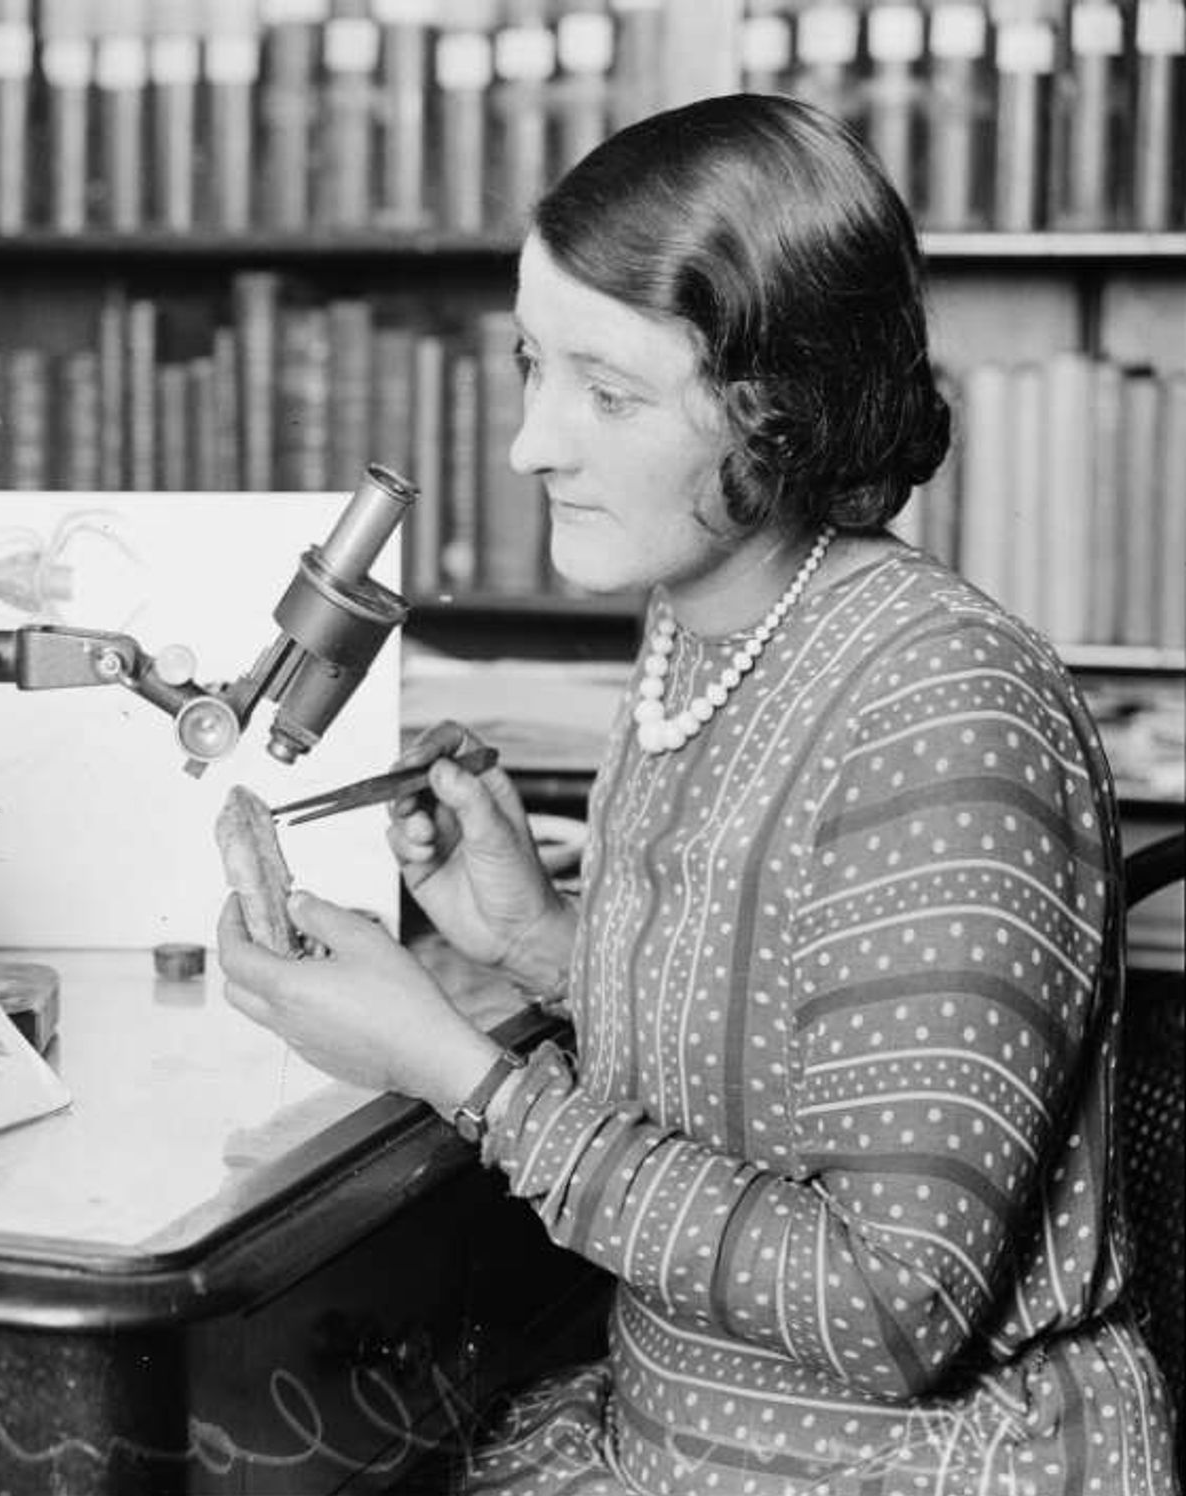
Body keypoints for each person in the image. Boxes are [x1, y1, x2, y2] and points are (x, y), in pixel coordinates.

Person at [216, 92, 1179, 1495]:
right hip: (691, 1442)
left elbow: (887, 1307)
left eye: (604, 393)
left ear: (776, 414)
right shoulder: (703, 623)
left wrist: (455, 1068)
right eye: (532, 366)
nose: (528, 446)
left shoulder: (946, 711)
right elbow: (785, 1060)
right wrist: (534, 940)